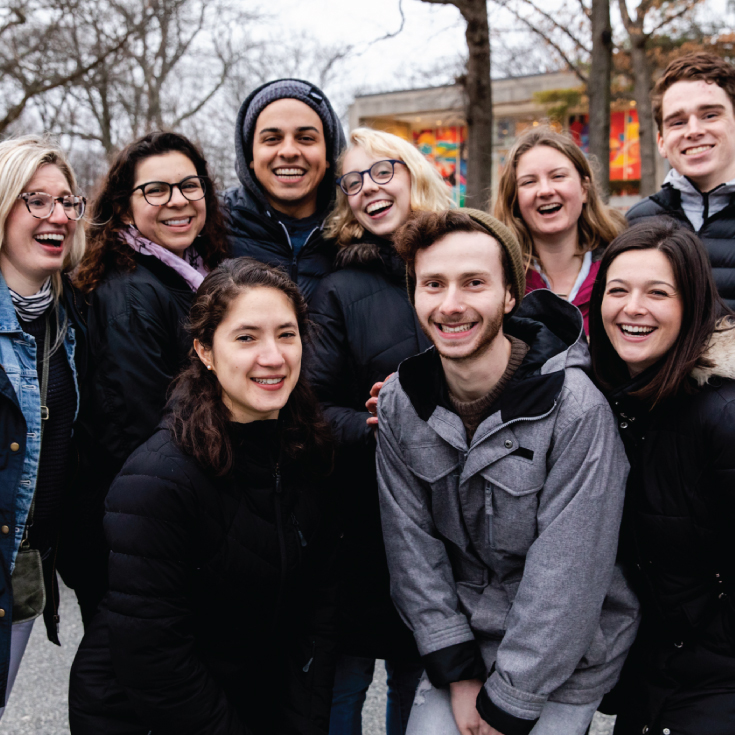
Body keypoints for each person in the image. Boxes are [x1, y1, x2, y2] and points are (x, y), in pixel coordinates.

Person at [375, 208, 640, 735]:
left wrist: (508, 703)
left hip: (563, 655)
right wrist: (459, 672)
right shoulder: (400, 404)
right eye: (433, 284)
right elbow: (412, 552)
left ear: (509, 295)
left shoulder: (575, 408)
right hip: (465, 639)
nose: (451, 304)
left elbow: (568, 575)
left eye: (474, 283)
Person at [69, 257, 336, 735]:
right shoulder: (157, 479)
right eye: (246, 337)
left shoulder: (305, 451)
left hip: (251, 703)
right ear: (205, 351)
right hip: (147, 716)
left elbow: (314, 619)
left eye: (287, 334)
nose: (272, 356)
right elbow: (155, 657)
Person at [307, 127, 453, 735]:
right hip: (362, 518)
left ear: (415, 172)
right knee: (346, 681)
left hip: (451, 518)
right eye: (354, 181)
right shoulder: (340, 288)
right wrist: (376, 423)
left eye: (382, 171)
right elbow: (309, 406)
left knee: (418, 681)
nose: (369, 188)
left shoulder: (463, 258)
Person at [71, 131, 229, 622]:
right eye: (156, 190)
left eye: (189, 186)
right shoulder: (131, 293)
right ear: (123, 207)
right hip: (142, 532)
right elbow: (141, 428)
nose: (177, 201)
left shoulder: (192, 273)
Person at [588, 218, 735, 735]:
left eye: (658, 293)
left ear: (692, 305)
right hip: (651, 677)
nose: (632, 308)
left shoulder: (722, 414)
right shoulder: (607, 402)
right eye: (618, 290)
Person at [0, 135, 87, 716]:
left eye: (67, 202)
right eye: (36, 200)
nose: (58, 215)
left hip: (24, 571)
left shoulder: (70, 315)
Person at [626, 52, 735, 310]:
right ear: (662, 142)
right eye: (678, 121)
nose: (694, 130)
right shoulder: (634, 223)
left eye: (709, 115)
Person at [223, 78, 346, 303]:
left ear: (329, 156)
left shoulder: (359, 231)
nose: (288, 151)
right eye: (272, 139)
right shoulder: (210, 227)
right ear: (250, 156)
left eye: (306, 138)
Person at [494, 125, 625, 334]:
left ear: (584, 189)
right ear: (514, 199)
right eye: (529, 182)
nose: (545, 191)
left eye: (558, 176)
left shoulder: (622, 268)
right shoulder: (501, 282)